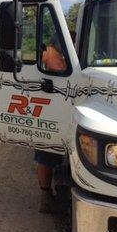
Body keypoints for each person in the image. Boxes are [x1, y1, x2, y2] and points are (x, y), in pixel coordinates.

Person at [36, 34, 66, 213]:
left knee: (46, 153)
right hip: (51, 110)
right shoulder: (51, 54)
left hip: (53, 108)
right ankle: (46, 197)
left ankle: (46, 195)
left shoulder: (47, 53)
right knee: (46, 152)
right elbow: (58, 70)